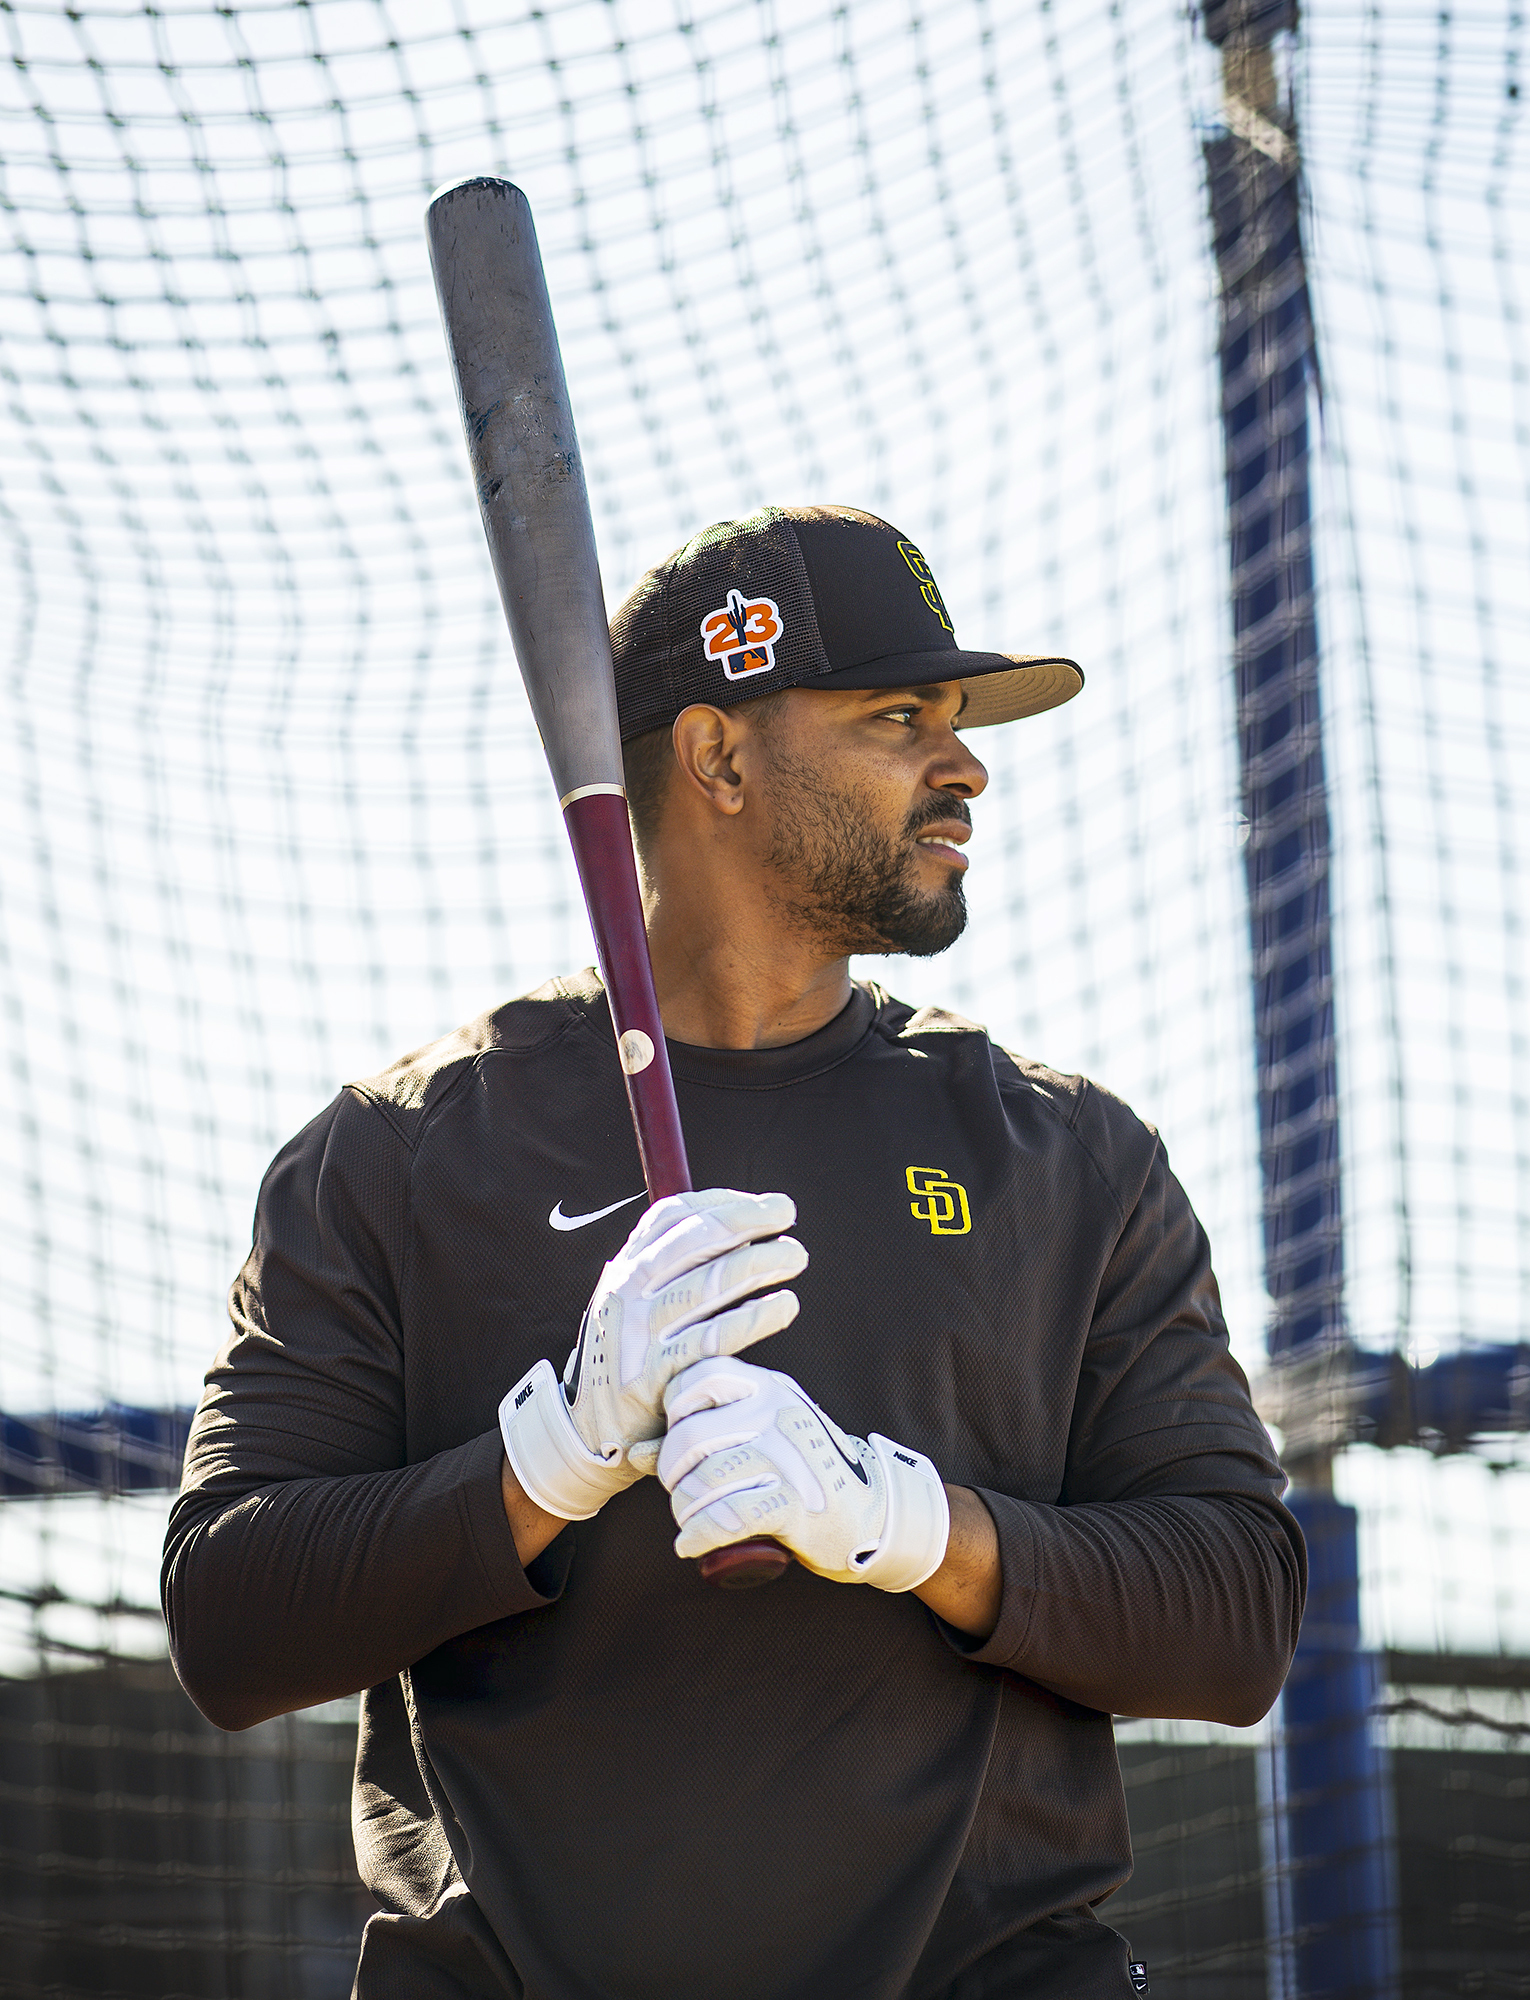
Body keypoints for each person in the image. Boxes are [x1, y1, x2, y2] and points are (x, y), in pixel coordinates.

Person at [163, 504, 1305, 2000]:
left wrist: (908, 1526)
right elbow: (230, 1623)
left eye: (956, 722)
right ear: (715, 757)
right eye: (898, 718)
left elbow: (1234, 1618)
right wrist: (555, 1458)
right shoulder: (401, 1151)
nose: (964, 766)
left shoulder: (1063, 1154)